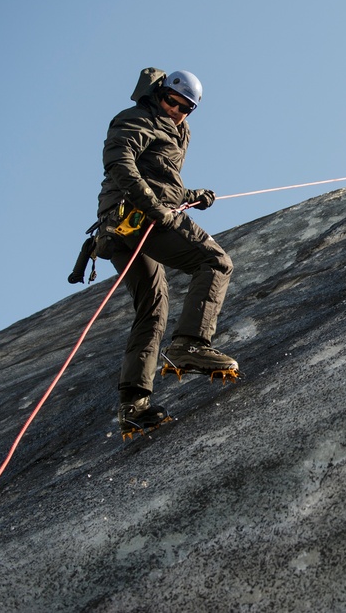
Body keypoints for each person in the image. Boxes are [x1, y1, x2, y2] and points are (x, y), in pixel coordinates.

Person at [94, 68, 238, 436]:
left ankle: (133, 404)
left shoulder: (175, 131)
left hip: (126, 224)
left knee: (153, 308)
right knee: (215, 262)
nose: (176, 109)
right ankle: (190, 344)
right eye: (171, 101)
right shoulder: (137, 118)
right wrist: (156, 209)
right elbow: (120, 162)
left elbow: (160, 180)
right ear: (159, 93)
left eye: (185, 107)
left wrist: (192, 196)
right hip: (138, 217)